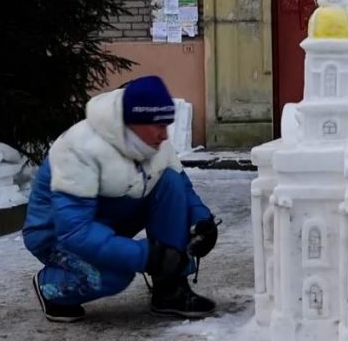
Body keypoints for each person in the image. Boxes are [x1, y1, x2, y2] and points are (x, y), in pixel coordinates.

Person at [22, 75, 218, 323]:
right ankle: (51, 288)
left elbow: (181, 188)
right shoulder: (78, 150)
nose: (165, 134)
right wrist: (146, 256)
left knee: (169, 181)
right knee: (115, 275)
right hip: (57, 235)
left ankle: (169, 290)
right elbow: (75, 231)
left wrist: (201, 221)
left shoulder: (152, 140)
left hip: (108, 216)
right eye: (158, 125)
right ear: (131, 122)